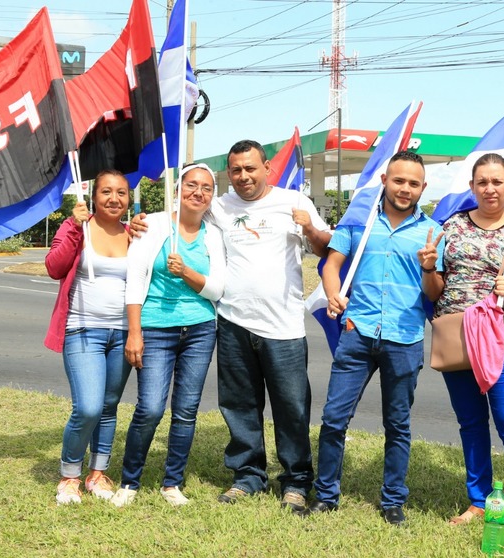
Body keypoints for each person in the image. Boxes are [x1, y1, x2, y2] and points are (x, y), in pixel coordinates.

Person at [306, 151, 444, 526]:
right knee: (334, 419)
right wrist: (333, 294)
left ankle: (393, 500)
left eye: (413, 183)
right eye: (399, 181)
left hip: (404, 338)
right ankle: (326, 494)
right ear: (385, 180)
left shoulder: (433, 232)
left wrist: (429, 267)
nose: (405, 189)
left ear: (423, 187)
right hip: (358, 333)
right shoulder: (358, 223)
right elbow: (331, 266)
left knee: (397, 425)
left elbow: (434, 293)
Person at [212, 140, 332, 513]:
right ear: (229, 173)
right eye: (236, 170)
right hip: (233, 321)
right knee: (239, 404)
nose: (243, 176)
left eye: (250, 168)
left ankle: (296, 481)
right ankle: (247, 475)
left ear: (267, 168)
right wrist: (142, 222)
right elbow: (180, 218)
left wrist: (309, 228)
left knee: (291, 407)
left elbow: (327, 248)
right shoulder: (220, 206)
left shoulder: (293, 202)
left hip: (283, 327)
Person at [432, 153, 504, 540]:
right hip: (458, 339)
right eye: (482, 182)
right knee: (470, 423)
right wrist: (429, 268)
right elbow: (435, 287)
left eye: (497, 182)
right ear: (472, 186)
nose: (490, 189)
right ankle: (478, 501)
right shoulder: (452, 226)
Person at [110, 163, 226, 508]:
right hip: (155, 327)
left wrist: (186, 271)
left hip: (200, 329)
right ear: (178, 190)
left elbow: (217, 289)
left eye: (206, 188)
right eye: (191, 185)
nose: (198, 192)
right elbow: (135, 280)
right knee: (149, 408)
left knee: (186, 410)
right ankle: (129, 482)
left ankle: (172, 482)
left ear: (212, 196)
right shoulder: (154, 225)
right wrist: (134, 332)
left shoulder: (213, 234)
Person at [44, 169, 132, 505]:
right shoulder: (77, 227)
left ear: (129, 198)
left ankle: (98, 473)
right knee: (88, 407)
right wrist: (72, 226)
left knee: (108, 407)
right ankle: (69, 476)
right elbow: (54, 267)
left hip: (122, 333)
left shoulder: (133, 234)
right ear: (94, 196)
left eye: (121, 192)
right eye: (106, 191)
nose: (114, 198)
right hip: (82, 330)